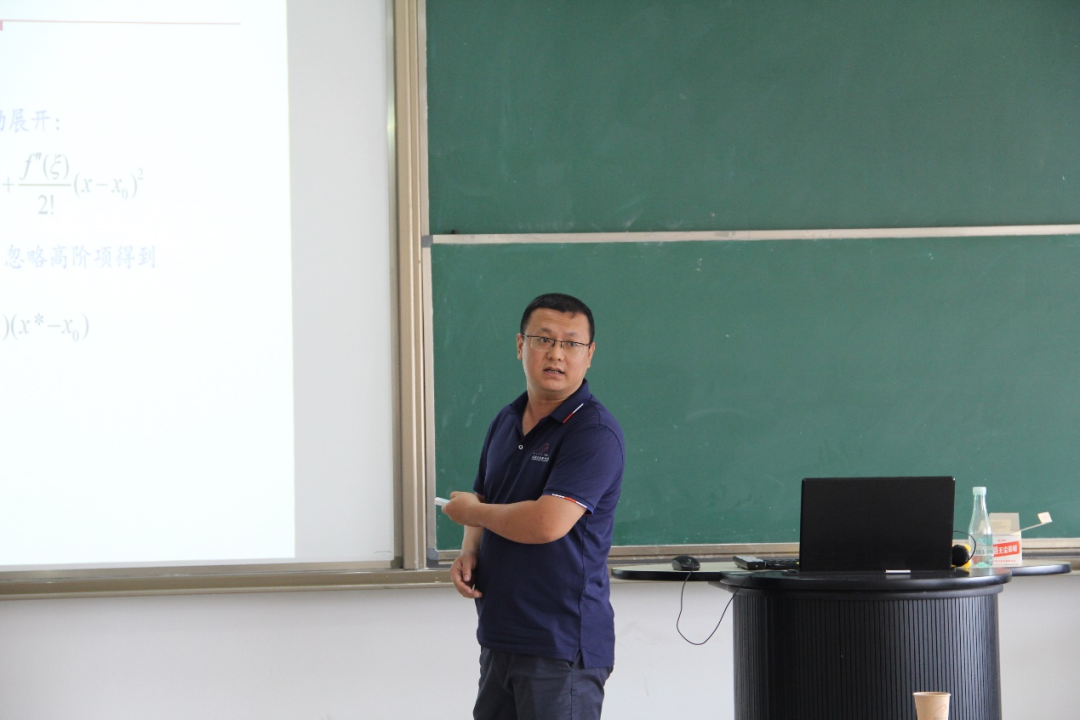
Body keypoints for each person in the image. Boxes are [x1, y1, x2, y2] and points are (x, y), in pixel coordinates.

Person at [442, 293, 625, 720]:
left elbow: (547, 523)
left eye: (571, 343)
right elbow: (484, 497)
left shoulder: (593, 432)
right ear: (520, 345)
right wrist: (470, 549)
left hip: (561, 646)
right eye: (544, 339)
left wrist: (473, 514)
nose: (556, 354)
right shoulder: (506, 420)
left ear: (589, 355)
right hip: (500, 635)